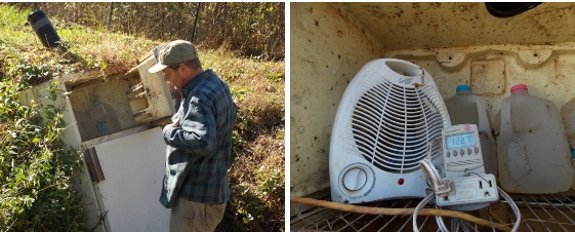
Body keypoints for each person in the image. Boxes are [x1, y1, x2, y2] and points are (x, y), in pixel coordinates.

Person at [148, 40, 237, 232]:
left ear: (182, 68)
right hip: (209, 194)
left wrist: (169, 132)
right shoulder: (216, 84)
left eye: (166, 73)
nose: (165, 79)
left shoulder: (198, 97)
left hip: (196, 201)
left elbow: (203, 142)